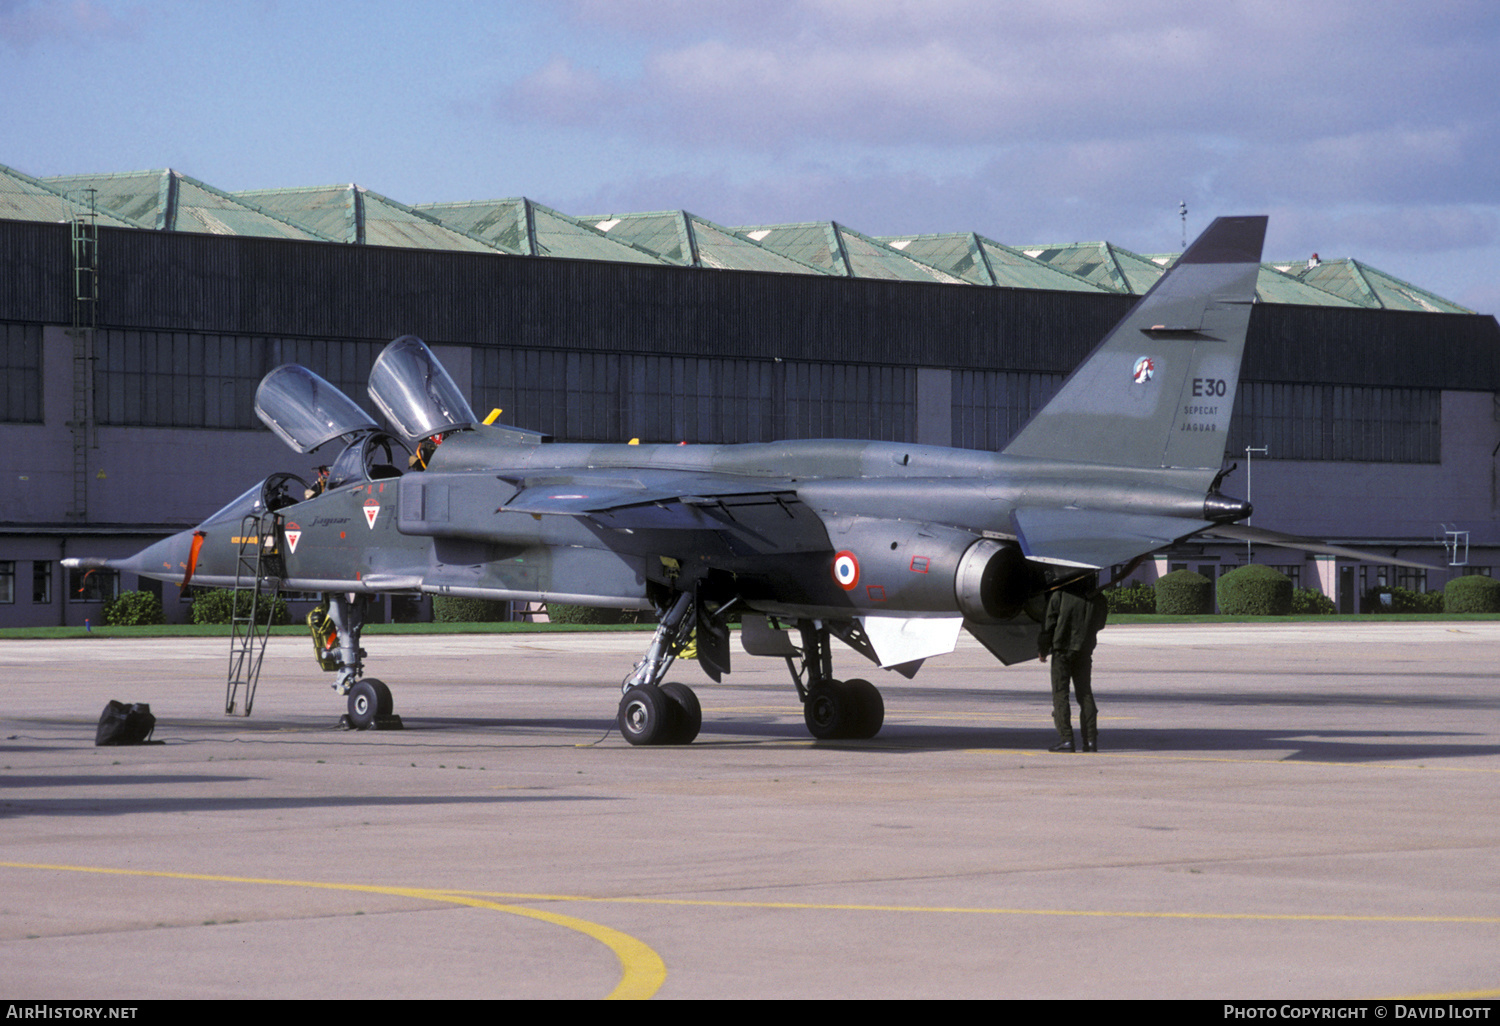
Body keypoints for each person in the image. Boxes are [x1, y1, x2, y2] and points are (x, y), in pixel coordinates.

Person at [1037, 576, 1108, 753]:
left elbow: (1049, 624)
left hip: (1062, 650)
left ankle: (1067, 739)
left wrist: (1043, 648)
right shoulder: (1098, 598)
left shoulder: (1060, 595)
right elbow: (1100, 624)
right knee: (1085, 693)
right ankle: (1090, 740)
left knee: (1060, 694)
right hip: (1084, 650)